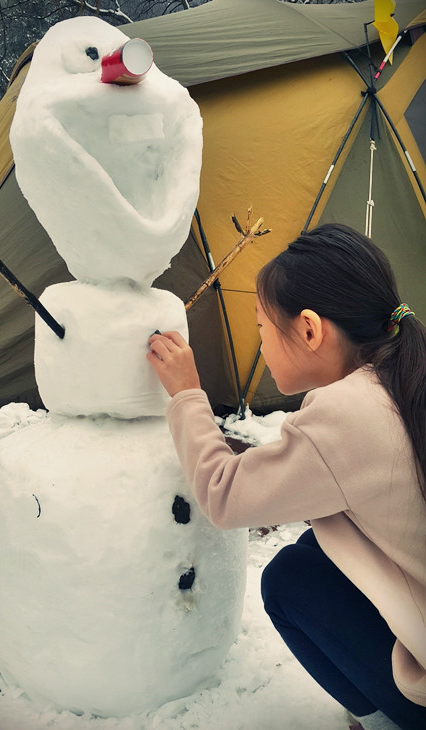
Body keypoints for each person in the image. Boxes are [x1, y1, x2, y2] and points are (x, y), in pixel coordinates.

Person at [147, 223, 426, 730]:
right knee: (320, 552)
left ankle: (390, 719)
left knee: (288, 580)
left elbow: (225, 495)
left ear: (309, 329)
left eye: (260, 327)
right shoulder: (406, 374)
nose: (260, 343)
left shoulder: (349, 415)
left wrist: (188, 393)